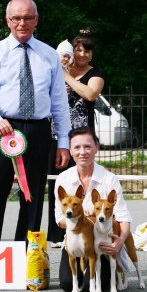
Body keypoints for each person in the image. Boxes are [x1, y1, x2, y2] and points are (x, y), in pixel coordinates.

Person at [0, 0, 71, 287]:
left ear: (36, 20)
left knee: (33, 199)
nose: (21, 23)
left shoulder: (49, 55)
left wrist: (63, 141)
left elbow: (58, 102)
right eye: (16, 18)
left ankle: (27, 265)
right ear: (7, 21)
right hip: (4, 129)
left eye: (27, 18)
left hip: (39, 130)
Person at [54, 128, 130, 292]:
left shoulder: (109, 179)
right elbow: (59, 219)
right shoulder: (63, 179)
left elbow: (123, 217)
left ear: (97, 147)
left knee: (94, 286)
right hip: (75, 240)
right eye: (77, 147)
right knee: (67, 284)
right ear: (70, 150)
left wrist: (119, 241)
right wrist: (81, 221)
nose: (82, 152)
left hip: (102, 242)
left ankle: (118, 269)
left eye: (88, 147)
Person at [48, 30, 105, 247]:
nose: (81, 54)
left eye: (86, 50)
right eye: (77, 50)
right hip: (57, 134)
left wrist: (67, 77)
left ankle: (83, 227)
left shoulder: (95, 73)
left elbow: (90, 94)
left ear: (91, 54)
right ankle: (56, 231)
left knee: (79, 182)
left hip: (81, 138)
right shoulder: (60, 69)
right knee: (57, 183)